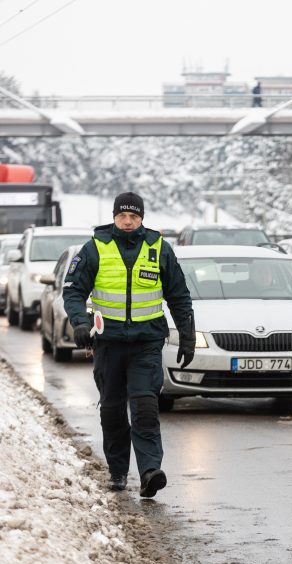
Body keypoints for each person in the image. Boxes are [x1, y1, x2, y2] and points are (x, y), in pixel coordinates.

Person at [62, 192, 195, 498]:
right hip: (108, 345)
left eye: (134, 216)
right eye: (122, 215)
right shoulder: (95, 247)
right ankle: (118, 471)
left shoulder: (159, 248)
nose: (127, 221)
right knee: (112, 411)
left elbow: (178, 295)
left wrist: (187, 336)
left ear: (141, 218)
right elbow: (72, 290)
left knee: (145, 407)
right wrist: (80, 321)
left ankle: (149, 472)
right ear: (114, 216)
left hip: (146, 343)